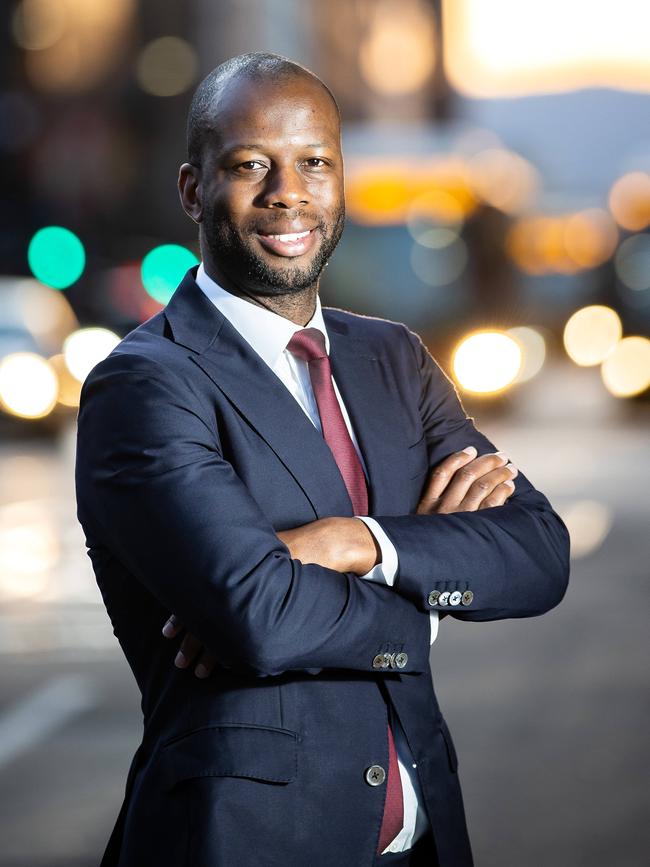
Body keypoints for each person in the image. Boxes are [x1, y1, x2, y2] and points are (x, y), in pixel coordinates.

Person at [75, 52, 570, 867]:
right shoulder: (145, 383)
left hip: (421, 843)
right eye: (250, 165)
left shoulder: (393, 361)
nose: (287, 192)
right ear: (195, 190)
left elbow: (539, 553)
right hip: (243, 846)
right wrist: (431, 599)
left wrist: (363, 542)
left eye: (314, 163)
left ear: (341, 180)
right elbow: (259, 619)